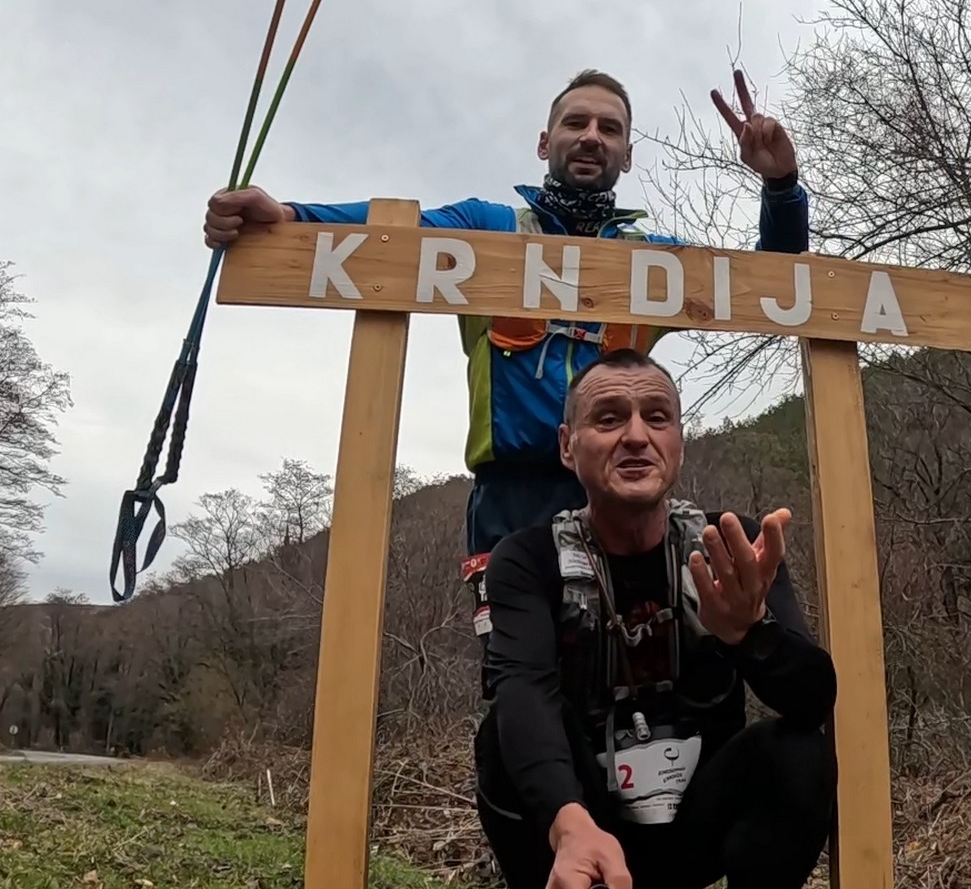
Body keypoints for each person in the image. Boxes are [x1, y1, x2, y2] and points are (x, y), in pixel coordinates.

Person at [201, 67, 810, 565]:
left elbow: (770, 288)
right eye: (575, 123)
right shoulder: (486, 228)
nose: (592, 136)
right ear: (545, 144)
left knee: (627, 667)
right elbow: (383, 237)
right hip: (510, 499)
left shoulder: (655, 260)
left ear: (627, 156)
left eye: (610, 128)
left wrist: (781, 186)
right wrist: (287, 217)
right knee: (520, 668)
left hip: (623, 494)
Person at [459, 347, 838, 889]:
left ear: (678, 441)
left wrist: (751, 635)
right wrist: (569, 825)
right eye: (608, 418)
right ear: (567, 447)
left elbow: (813, 698)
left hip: (697, 826)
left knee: (798, 749)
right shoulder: (526, 559)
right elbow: (523, 691)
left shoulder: (731, 546)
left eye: (656, 417)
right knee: (501, 735)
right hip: (582, 834)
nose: (636, 434)